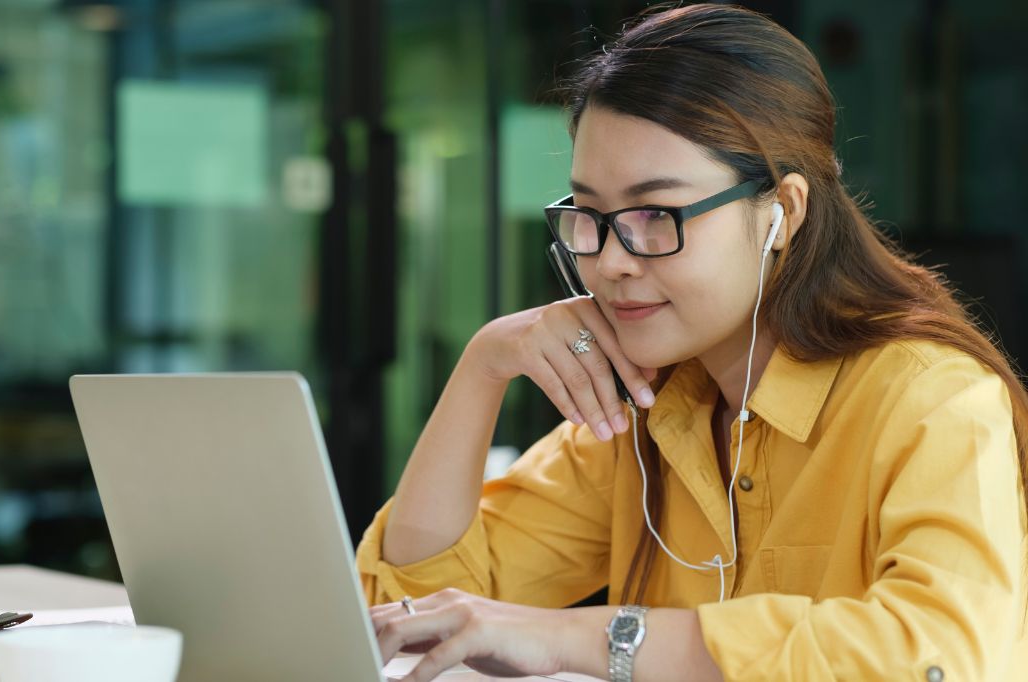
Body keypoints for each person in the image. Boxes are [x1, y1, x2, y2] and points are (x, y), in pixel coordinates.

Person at [358, 3, 1028, 681]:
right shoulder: (647, 408)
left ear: (783, 212)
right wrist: (485, 365)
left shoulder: (931, 399)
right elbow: (403, 615)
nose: (612, 260)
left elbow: (945, 655)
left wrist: (594, 639)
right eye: (590, 213)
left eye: (656, 214)